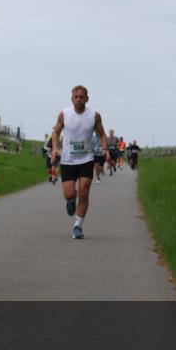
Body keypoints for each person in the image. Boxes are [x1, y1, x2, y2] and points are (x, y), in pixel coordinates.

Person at [51, 85, 109, 240]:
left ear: (87, 99)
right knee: (70, 193)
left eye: (81, 97)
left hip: (86, 159)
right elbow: (55, 133)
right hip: (68, 160)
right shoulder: (64, 114)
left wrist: (105, 149)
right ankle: (71, 200)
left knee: (84, 191)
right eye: (76, 97)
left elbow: (102, 134)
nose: (78, 99)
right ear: (72, 99)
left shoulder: (94, 115)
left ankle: (78, 225)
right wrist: (55, 148)